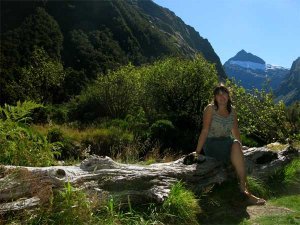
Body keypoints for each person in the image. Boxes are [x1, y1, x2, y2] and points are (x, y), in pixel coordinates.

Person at [195, 84, 266, 205]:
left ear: (228, 95)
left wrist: (240, 146)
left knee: (236, 145)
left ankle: (244, 189)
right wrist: (197, 152)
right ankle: (246, 192)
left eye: (224, 93)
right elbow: (205, 130)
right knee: (236, 148)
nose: (221, 96)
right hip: (212, 144)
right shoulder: (210, 109)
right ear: (215, 97)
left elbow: (235, 131)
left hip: (227, 142)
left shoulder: (232, 110)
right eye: (218, 94)